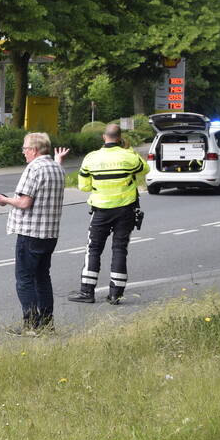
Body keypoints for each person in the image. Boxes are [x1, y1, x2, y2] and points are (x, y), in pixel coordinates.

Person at [0, 133, 69, 333]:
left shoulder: (33, 168)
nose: (23, 152)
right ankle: (47, 323)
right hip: (50, 233)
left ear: (34, 150)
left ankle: (31, 325)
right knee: (43, 277)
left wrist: (5, 200)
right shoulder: (57, 168)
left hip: (31, 232)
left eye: (25, 148)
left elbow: (25, 202)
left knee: (25, 279)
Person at [68, 124, 149, 305]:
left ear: (104, 137)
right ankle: (115, 294)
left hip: (100, 211)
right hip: (125, 210)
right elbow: (145, 169)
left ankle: (87, 292)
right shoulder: (129, 156)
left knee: (93, 249)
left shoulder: (91, 158)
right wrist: (130, 150)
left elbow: (84, 186)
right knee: (120, 249)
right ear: (120, 138)